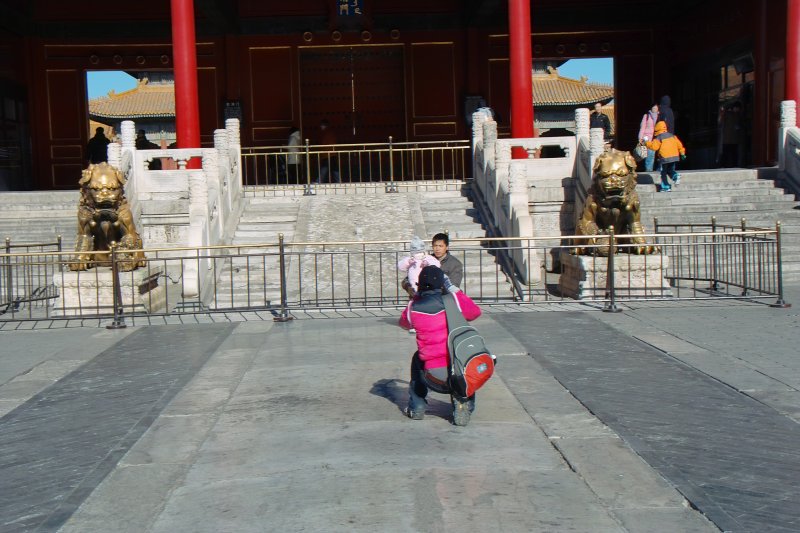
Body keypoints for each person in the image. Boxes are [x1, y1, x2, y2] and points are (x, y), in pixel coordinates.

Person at [399, 265, 482, 426]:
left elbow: (403, 323)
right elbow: (474, 312)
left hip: (432, 376)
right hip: (459, 371)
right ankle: (464, 401)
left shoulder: (413, 307)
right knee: (464, 358)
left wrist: (416, 298)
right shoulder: (452, 301)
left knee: (418, 358)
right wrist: (454, 290)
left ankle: (417, 406)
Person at [645, 120, 686, 192]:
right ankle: (675, 176)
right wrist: (682, 153)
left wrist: (646, 143)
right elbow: (679, 145)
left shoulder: (659, 137)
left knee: (663, 173)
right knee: (670, 170)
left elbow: (654, 147)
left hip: (665, 158)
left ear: (657, 129)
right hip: (674, 157)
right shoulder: (672, 136)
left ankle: (666, 187)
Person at [720, 101, 743, 168]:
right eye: (737, 108)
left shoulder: (738, 115)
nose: (738, 110)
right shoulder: (727, 114)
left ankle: (733, 165)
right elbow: (723, 105)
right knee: (727, 153)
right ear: (735, 107)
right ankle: (724, 165)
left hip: (733, 138)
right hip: (728, 139)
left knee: (733, 153)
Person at [317, 119, 339, 183]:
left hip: (327, 154)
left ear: (324, 125)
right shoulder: (330, 132)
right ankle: (339, 181)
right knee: (335, 169)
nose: (321, 127)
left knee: (324, 168)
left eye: (322, 125)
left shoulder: (327, 133)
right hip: (332, 154)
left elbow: (325, 144)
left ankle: (319, 181)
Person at [638, 103, 659, 171]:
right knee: (650, 155)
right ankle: (649, 171)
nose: (655, 109)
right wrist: (640, 137)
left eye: (656, 108)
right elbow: (642, 127)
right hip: (648, 138)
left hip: (657, 138)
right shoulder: (646, 116)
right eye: (654, 108)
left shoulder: (660, 116)